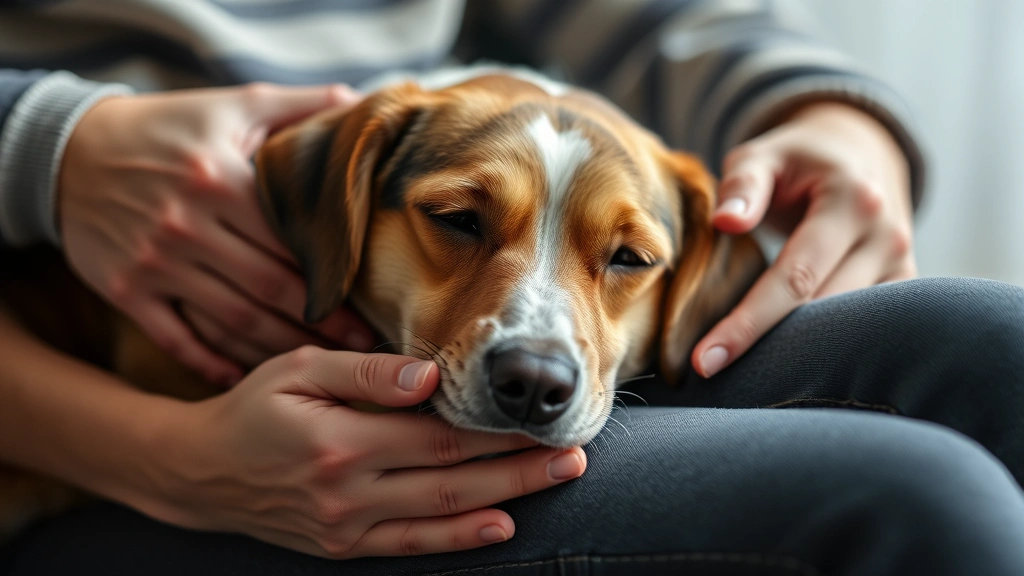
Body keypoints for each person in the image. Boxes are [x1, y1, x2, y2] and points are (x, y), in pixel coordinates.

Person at [1, 1, 1023, 574]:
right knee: (919, 502)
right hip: (104, 433)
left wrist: (832, 118)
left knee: (994, 343)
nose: (537, 347)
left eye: (622, 260)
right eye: (457, 223)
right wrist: (39, 143)